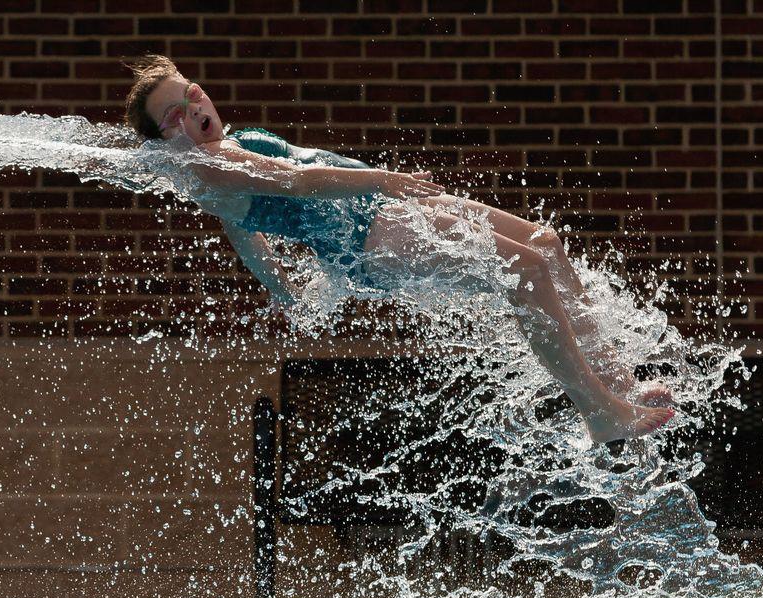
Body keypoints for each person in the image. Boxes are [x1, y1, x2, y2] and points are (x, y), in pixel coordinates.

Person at [122, 55, 674, 443]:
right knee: (524, 271)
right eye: (174, 116)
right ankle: (600, 412)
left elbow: (242, 228)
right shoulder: (211, 166)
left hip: (380, 212)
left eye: (190, 93)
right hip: (368, 238)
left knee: (543, 244)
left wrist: (278, 285)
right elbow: (295, 180)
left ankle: (617, 382)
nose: (192, 109)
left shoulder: (224, 152)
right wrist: (385, 180)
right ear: (166, 140)